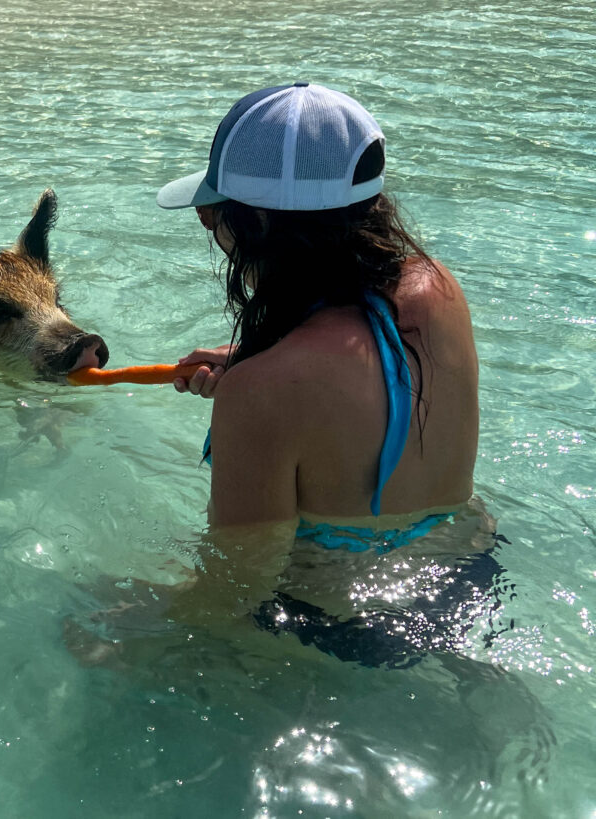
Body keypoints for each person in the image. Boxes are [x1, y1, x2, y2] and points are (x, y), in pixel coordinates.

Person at [145, 83, 497, 666]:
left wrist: (129, 631)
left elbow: (235, 590)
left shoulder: (262, 393)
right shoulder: (438, 286)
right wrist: (258, 363)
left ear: (256, 221)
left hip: (343, 626)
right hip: (472, 568)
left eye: (213, 215)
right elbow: (364, 380)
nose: (208, 222)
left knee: (94, 607)